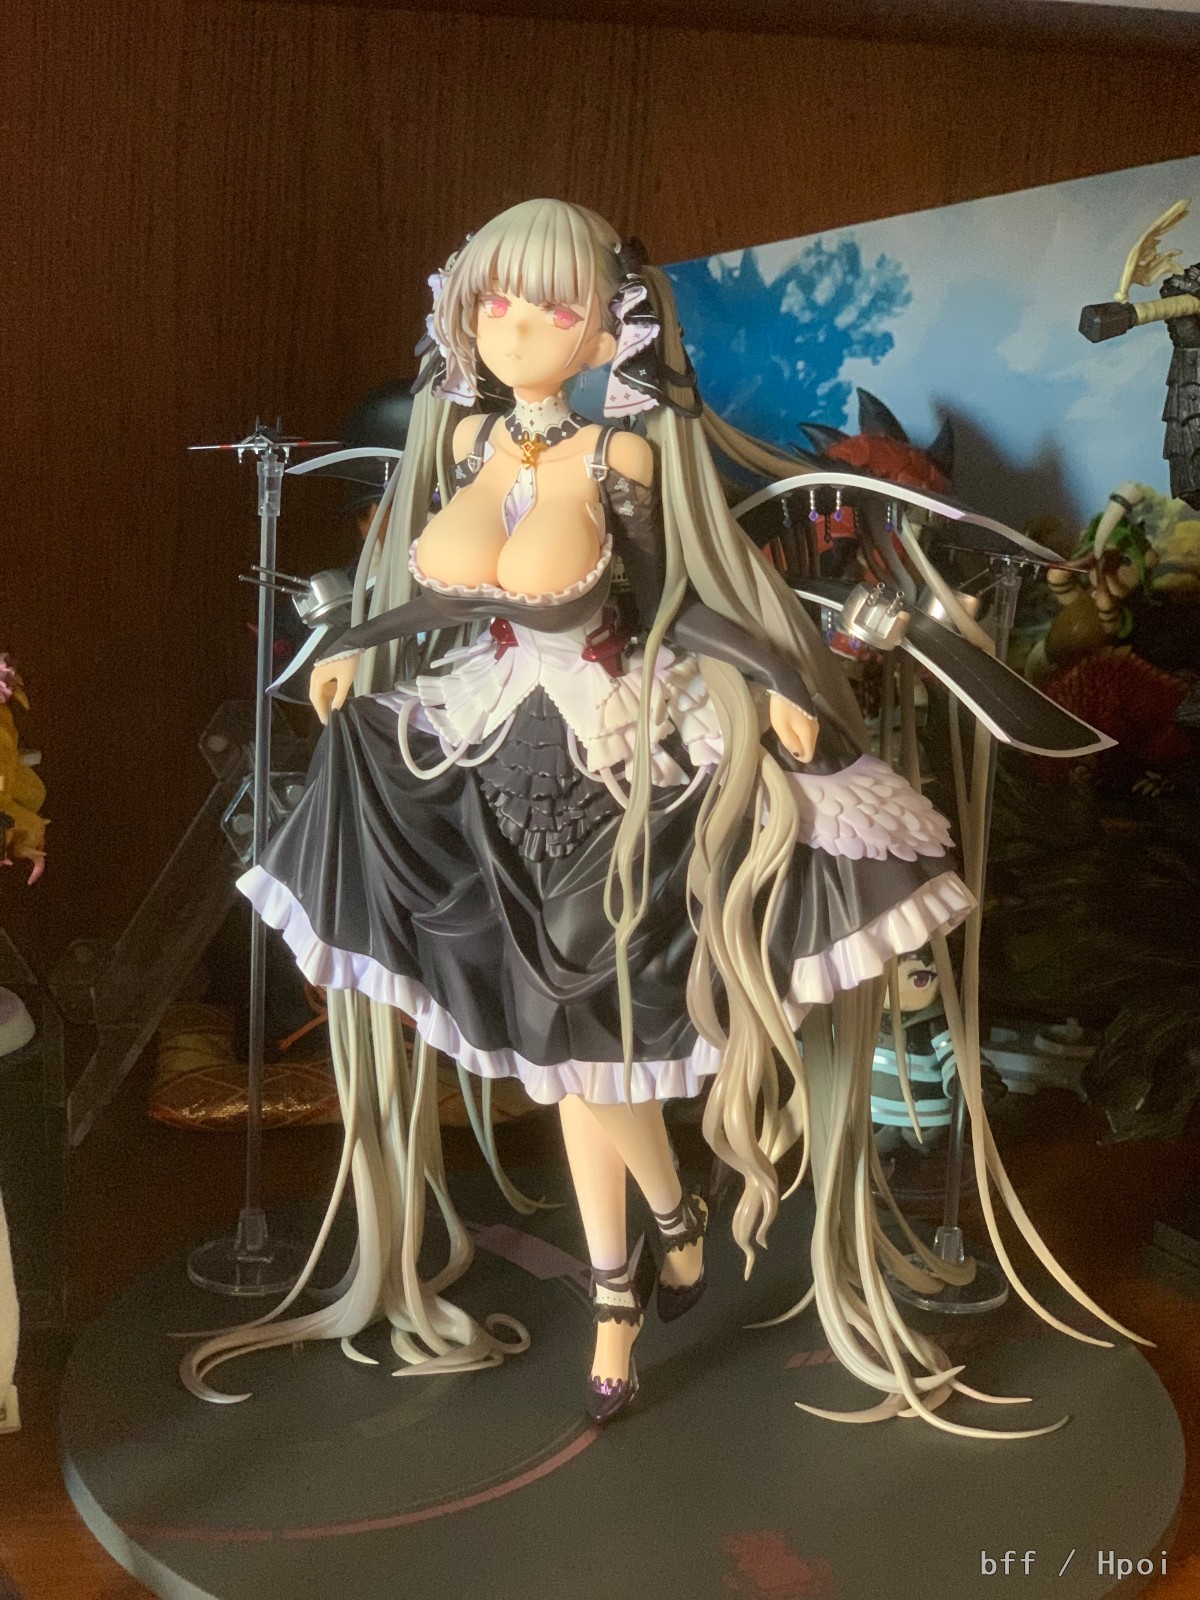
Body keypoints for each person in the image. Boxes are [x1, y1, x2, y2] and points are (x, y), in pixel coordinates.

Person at [184, 201, 1119, 1433]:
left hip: (614, 753)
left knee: (579, 1038)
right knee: (568, 1052)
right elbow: (447, 597)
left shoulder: (617, 456)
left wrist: (781, 688)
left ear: (604, 330)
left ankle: (621, 1303)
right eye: (496, 300)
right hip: (487, 740)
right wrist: (361, 641)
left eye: (553, 305)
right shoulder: (465, 441)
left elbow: (683, 597)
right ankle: (665, 1229)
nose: (518, 326)